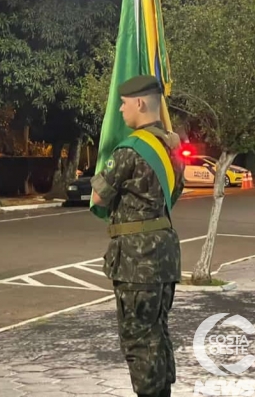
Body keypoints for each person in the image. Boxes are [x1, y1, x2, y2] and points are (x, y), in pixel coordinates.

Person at [90, 75, 185, 397]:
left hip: (136, 260)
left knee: (139, 338)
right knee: (157, 331)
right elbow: (176, 193)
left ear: (140, 103)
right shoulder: (171, 147)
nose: (119, 109)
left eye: (124, 102)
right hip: (164, 254)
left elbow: (99, 197)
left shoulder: (130, 150)